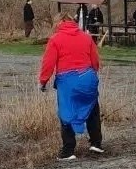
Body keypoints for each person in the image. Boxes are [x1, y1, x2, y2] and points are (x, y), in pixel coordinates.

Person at [38, 13, 104, 161]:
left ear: (60, 22)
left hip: (68, 81)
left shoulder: (55, 39)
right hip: (88, 77)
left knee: (66, 113)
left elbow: (48, 63)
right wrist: (92, 75)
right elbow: (95, 60)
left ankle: (68, 150)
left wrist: (43, 81)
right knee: (92, 108)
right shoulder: (86, 37)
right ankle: (96, 143)